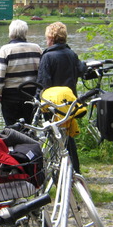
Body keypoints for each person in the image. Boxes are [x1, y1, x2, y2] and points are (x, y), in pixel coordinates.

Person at [37, 21, 83, 173]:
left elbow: (43, 82)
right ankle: (74, 170)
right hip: (69, 103)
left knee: (54, 137)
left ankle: (59, 170)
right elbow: (81, 70)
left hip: (53, 104)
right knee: (68, 137)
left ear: (51, 38)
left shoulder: (48, 56)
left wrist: (40, 102)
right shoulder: (71, 54)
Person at [0, 19, 42, 126]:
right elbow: (41, 73)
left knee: (12, 129)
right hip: (31, 95)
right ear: (25, 32)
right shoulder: (36, 49)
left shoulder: (5, 50)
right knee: (30, 128)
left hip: (10, 97)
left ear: (11, 32)